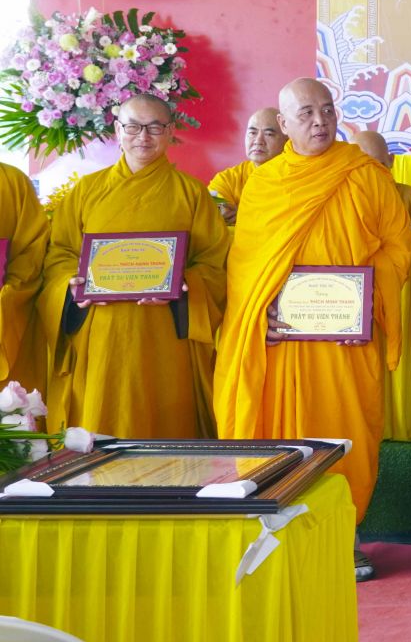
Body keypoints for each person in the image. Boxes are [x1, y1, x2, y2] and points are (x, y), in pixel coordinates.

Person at [213, 78, 411, 580]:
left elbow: (399, 247)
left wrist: (365, 298)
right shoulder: (264, 184)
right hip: (280, 343)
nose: (320, 121)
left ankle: (345, 537)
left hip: (345, 342)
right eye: (306, 114)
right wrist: (258, 314)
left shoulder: (365, 175)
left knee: (344, 434)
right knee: (280, 435)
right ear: (283, 124)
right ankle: (275, 535)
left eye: (327, 110)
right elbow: (244, 269)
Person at [40, 96, 230, 437]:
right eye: (133, 127)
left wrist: (184, 285)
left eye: (155, 127)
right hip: (101, 331)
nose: (143, 136)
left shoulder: (191, 193)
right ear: (118, 130)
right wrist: (70, 285)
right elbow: (60, 253)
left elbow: (214, 261)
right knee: (100, 423)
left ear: (170, 131)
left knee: (164, 427)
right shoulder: (86, 190)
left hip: (163, 332)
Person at [0, 164, 47, 391]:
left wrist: (10, 291)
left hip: (6, 305)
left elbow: (33, 247)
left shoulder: (12, 181)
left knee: (10, 401)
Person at [208, 107, 284, 224]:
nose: (258, 141)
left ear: (287, 140)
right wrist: (221, 209)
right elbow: (212, 202)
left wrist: (243, 215)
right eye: (252, 133)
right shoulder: (230, 178)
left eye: (269, 134)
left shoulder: (295, 176)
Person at [354, 130, 411, 223]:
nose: (371, 175)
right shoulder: (341, 201)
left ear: (391, 160)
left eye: (378, 166)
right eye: (361, 168)